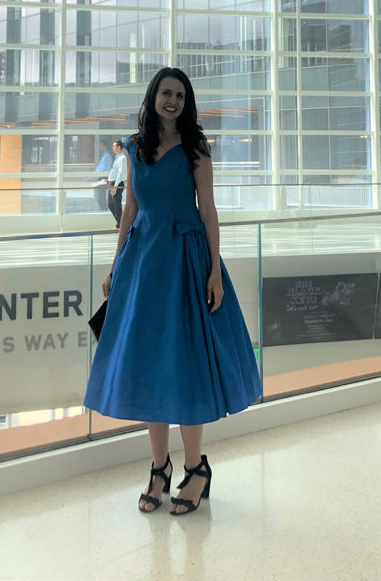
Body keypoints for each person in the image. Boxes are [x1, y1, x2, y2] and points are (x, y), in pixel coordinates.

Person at [84, 67, 261, 516]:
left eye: (180, 95)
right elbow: (129, 212)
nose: (173, 101)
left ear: (187, 102)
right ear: (153, 96)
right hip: (144, 263)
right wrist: (115, 266)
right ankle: (159, 468)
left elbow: (210, 212)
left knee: (185, 365)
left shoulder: (196, 148)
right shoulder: (134, 148)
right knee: (148, 364)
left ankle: (196, 468)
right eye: (166, 93)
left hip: (186, 260)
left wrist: (215, 274)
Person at [107, 140, 127, 230]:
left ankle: (120, 224)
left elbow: (121, 173)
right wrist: (109, 179)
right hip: (113, 183)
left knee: (116, 204)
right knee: (110, 204)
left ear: (119, 147)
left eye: (114, 146)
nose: (112, 147)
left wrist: (115, 186)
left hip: (117, 184)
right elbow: (115, 171)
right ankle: (121, 222)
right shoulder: (117, 157)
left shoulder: (122, 158)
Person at [94, 139, 113, 211]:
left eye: (100, 145)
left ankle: (104, 210)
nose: (99, 147)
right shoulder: (104, 156)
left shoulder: (107, 157)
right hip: (100, 177)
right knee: (99, 196)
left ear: (105, 146)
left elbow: (103, 169)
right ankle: (103, 209)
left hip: (103, 178)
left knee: (100, 196)